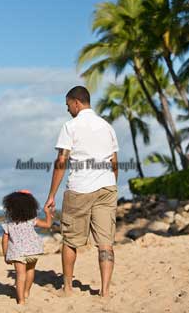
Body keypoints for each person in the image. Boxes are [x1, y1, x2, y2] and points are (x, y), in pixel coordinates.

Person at [45, 86, 119, 298]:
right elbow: (114, 161)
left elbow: (62, 160)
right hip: (107, 187)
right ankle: (104, 292)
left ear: (76, 103)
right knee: (105, 242)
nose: (67, 109)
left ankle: (67, 288)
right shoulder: (107, 127)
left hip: (80, 188)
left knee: (70, 240)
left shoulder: (71, 126)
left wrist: (52, 195)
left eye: (68, 105)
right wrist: (112, 184)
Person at [1, 189, 53, 306]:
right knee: (30, 271)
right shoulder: (32, 220)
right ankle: (26, 292)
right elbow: (48, 225)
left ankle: (21, 301)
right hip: (33, 250)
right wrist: (47, 213)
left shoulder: (9, 223)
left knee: (20, 275)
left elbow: (4, 240)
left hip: (18, 253)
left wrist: (6, 254)